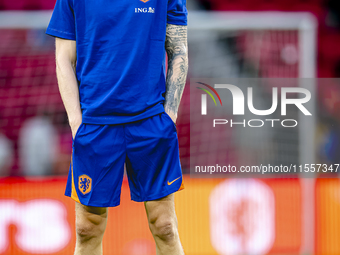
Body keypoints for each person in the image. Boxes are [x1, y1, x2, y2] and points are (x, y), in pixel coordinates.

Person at [46, 0, 188, 254]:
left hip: (151, 123)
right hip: (95, 125)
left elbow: (178, 49)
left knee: (165, 226)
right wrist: (76, 122)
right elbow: (63, 58)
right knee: (86, 229)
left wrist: (170, 114)